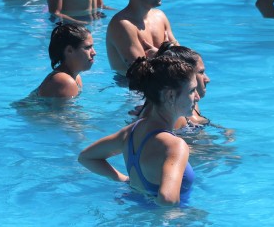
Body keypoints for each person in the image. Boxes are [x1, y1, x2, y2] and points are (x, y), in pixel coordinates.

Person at [78, 57, 199, 206]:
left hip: (135, 208)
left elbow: (86, 157)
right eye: (192, 90)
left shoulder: (131, 131)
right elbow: (168, 200)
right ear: (170, 96)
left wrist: (124, 179)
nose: (197, 97)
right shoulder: (175, 146)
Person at [106, 0, 178, 77]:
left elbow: (185, 58)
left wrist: (161, 55)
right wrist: (167, 53)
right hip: (129, 87)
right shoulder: (122, 25)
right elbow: (143, 75)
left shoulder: (160, 17)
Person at [132, 42, 210, 129]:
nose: (207, 79)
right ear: (184, 74)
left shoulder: (184, 100)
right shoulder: (174, 116)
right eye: (201, 72)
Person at [35, 23, 96, 98]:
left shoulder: (76, 77)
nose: (94, 53)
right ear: (69, 50)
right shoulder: (65, 81)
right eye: (87, 47)